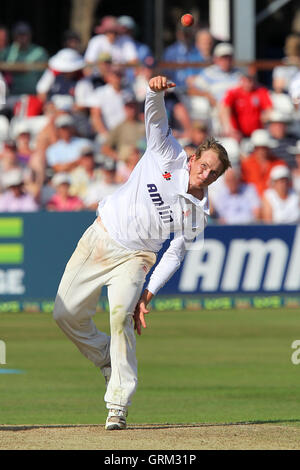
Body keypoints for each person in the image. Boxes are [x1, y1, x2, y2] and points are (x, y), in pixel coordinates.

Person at [53, 75, 231, 431]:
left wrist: (148, 293)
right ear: (194, 158)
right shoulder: (168, 154)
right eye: (204, 166)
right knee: (64, 314)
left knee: (120, 319)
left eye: (213, 174)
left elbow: (176, 253)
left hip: (137, 259)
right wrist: (153, 91)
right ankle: (107, 358)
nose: (205, 175)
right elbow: (155, 117)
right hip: (101, 237)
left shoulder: (198, 214)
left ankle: (118, 403)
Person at [219, 71, 273, 140]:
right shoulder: (233, 93)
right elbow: (225, 108)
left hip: (257, 132)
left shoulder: (261, 91)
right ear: (241, 81)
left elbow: (269, 108)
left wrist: (265, 117)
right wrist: (229, 128)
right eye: (245, 81)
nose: (247, 84)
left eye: (250, 81)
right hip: (237, 133)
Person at [4, 22, 48, 99]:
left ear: (30, 35)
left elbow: (47, 76)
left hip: (33, 95)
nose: (22, 37)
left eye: (25, 34)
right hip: (11, 95)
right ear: (14, 36)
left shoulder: (40, 52)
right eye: (19, 34)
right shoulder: (7, 51)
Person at [241, 129, 287, 197]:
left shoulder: (279, 164)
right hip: (252, 203)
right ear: (254, 148)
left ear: (269, 148)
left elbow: (286, 186)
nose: (261, 151)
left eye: (264, 148)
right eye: (258, 148)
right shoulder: (246, 165)